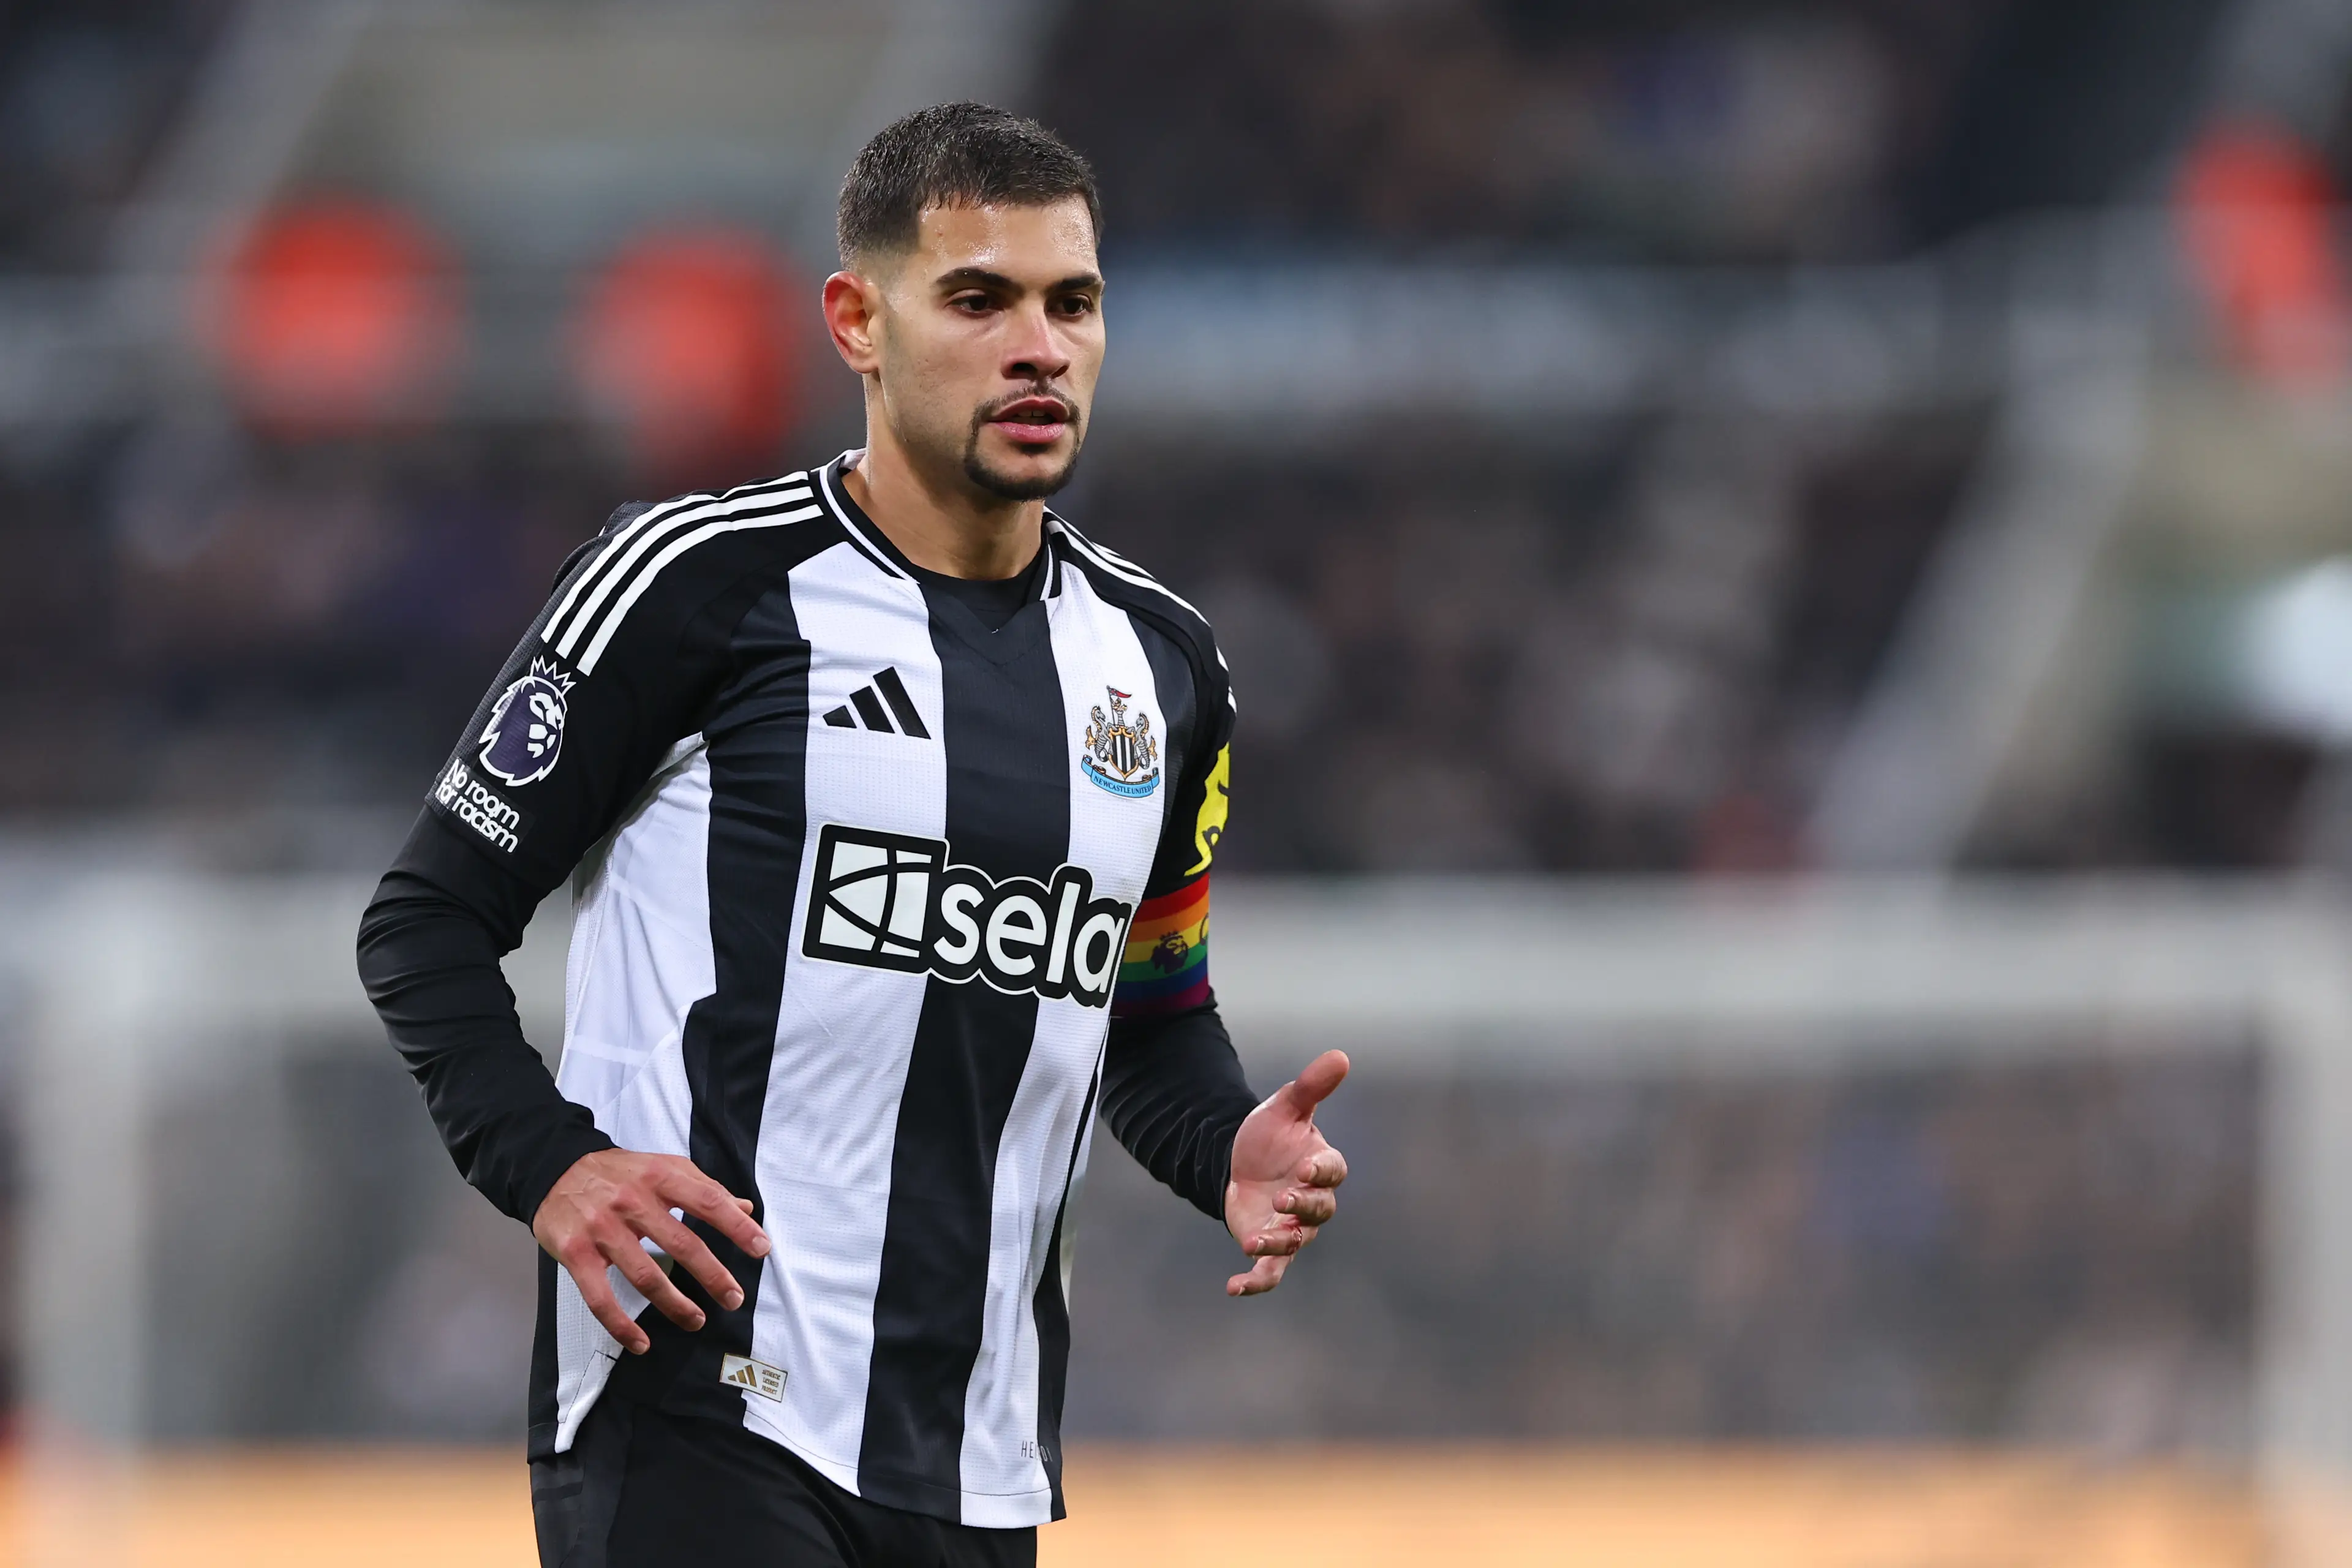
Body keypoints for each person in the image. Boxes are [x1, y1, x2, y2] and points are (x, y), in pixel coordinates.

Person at [356, 101, 1350, 1567]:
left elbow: (1146, 1012)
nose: (1040, 346)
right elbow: (425, 922)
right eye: (979, 299)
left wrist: (1224, 1148)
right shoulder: (695, 584)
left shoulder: (1165, 665)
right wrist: (552, 1162)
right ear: (857, 322)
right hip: (696, 1400)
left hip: (978, 1449)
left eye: (1073, 302)